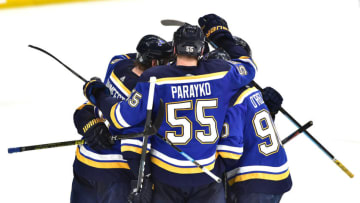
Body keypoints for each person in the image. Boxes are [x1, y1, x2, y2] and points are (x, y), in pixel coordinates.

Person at [82, 23, 257, 203]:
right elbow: (248, 65)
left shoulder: (154, 78)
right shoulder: (223, 73)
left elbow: (121, 118)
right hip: (207, 178)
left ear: (174, 48)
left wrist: (97, 93)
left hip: (165, 180)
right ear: (202, 50)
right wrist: (219, 33)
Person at [198, 13, 292, 203]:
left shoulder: (229, 99)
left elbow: (230, 147)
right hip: (277, 176)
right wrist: (270, 111)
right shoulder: (252, 93)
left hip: (252, 181)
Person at [70, 34, 172, 203]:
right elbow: (134, 147)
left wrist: (90, 124)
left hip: (85, 164)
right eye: (167, 61)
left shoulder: (117, 64)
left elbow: (86, 109)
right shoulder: (146, 94)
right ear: (155, 63)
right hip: (116, 175)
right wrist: (144, 182)